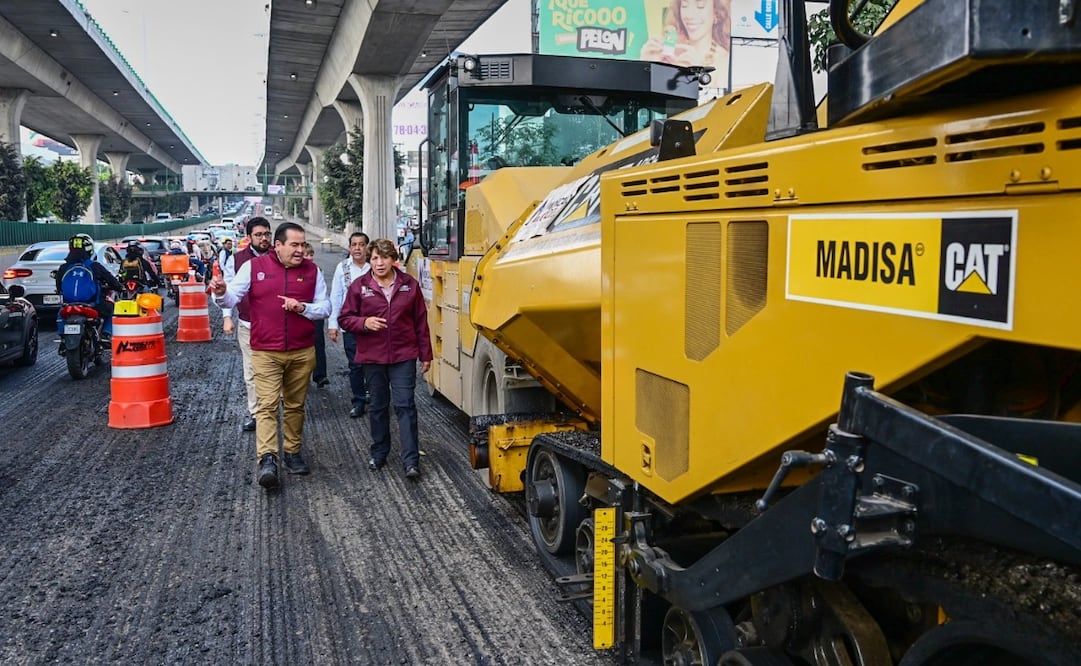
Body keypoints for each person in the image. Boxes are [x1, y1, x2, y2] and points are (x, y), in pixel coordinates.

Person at [210, 221, 330, 490]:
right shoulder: (253, 267)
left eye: (302, 245)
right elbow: (231, 298)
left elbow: (325, 307)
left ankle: (292, 451)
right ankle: (267, 457)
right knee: (266, 406)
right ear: (278, 245)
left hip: (301, 351)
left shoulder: (312, 272)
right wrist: (220, 293)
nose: (300, 250)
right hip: (265, 350)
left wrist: (303, 308)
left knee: (296, 405)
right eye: (294, 245)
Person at [339, 239, 433, 479]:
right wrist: (364, 323)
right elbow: (345, 318)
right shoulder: (360, 287)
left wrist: (426, 354)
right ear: (369, 261)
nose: (379, 263)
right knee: (379, 406)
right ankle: (379, 452)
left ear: (393, 259)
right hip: (373, 357)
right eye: (374, 259)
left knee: (405, 405)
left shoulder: (409, 285)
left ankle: (411, 461)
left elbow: (421, 321)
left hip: (403, 355)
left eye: (384, 258)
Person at [220, 218, 274, 432]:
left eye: (267, 234)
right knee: (251, 372)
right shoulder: (236, 260)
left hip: (276, 326)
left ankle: (274, 407)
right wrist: (227, 317)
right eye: (259, 234)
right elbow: (229, 291)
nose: (264, 238)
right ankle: (256, 413)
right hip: (248, 325)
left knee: (276, 370)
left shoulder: (279, 257)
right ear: (249, 237)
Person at [327, 232, 371, 417]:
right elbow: (336, 296)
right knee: (355, 365)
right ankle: (358, 401)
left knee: (375, 365)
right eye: (354, 245)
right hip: (350, 325)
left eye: (361, 244)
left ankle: (376, 398)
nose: (357, 248)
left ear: (367, 247)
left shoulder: (375, 266)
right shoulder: (342, 267)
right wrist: (333, 324)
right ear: (349, 247)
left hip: (373, 325)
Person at [55, 234, 124, 338]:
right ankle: (106, 334)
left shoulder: (64, 267)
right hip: (92, 304)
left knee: (61, 313)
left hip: (69, 304)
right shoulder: (94, 266)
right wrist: (119, 287)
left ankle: (62, 337)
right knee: (112, 309)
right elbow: (111, 280)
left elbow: (59, 286)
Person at [639, 0, 731, 74]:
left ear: (716, 13)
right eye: (684, 5)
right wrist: (647, 66)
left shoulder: (724, 62)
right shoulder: (669, 51)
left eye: (700, 6)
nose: (689, 15)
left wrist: (696, 75)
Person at [304, 241, 329, 387]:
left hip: (316, 311)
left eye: (311, 254)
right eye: (306, 254)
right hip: (301, 312)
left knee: (318, 343)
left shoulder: (317, 270)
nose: (309, 257)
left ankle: (320, 375)